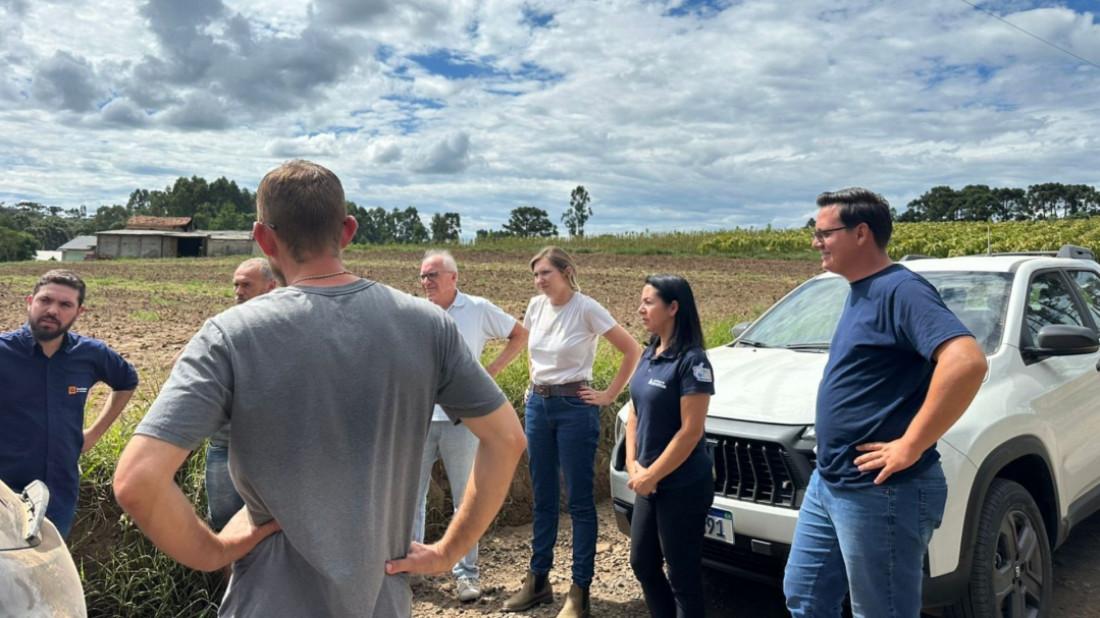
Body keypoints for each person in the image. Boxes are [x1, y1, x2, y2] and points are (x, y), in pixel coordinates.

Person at [113, 159, 527, 617]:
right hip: (382, 602)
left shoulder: (230, 335)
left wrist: (211, 553)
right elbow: (507, 440)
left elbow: (138, 481)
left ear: (264, 239)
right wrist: (448, 551)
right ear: (347, 231)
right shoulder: (428, 325)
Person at [783, 188, 987, 617]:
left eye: (823, 233)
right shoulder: (860, 290)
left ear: (860, 233)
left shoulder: (901, 289)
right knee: (804, 596)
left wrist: (910, 444)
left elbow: (966, 361)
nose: (814, 242)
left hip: (882, 492)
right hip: (831, 481)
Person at [504, 246, 641, 618]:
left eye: (545, 273)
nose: (539, 280)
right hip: (538, 407)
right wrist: (535, 385)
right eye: (535, 275)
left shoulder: (586, 308)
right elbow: (532, 349)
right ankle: (538, 582)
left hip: (575, 408)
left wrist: (609, 395)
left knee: (579, 502)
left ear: (566, 272)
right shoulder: (535, 306)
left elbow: (632, 350)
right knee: (543, 497)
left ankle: (579, 591)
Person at [415, 249, 529, 602]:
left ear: (453, 278)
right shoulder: (416, 313)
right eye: (422, 276)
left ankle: (466, 576)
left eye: (433, 274)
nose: (426, 281)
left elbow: (519, 334)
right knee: (410, 500)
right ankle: (413, 571)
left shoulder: (477, 309)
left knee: (466, 499)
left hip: (463, 421)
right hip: (418, 420)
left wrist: (488, 375)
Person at [0, 269, 138, 538]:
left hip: (59, 492)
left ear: (79, 312)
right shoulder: (3, 352)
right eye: (45, 301)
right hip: (5, 491)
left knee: (48, 569)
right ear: (30, 302)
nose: (53, 310)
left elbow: (127, 382)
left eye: (65, 305)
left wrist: (93, 435)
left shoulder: (91, 354)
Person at [626, 275, 714, 618]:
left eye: (648, 302)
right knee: (642, 563)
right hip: (648, 481)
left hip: (682, 485)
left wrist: (652, 475)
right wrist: (634, 464)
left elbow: (691, 432)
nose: (640, 309)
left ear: (673, 307)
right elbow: (635, 411)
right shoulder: (650, 352)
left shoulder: (693, 362)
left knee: (683, 577)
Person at [206, 258, 277, 532]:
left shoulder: (287, 329)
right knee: (224, 525)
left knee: (270, 526)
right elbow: (183, 368)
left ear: (270, 287)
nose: (238, 292)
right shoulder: (222, 327)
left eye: (247, 285)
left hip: (272, 448)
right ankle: (232, 577)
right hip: (225, 444)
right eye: (236, 285)